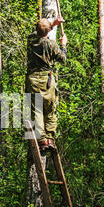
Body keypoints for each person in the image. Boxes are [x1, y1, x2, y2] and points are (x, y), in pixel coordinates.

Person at [26, 16, 67, 151]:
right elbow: (63, 58)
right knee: (50, 109)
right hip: (47, 81)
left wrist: (52, 24)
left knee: (37, 110)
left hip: (33, 80)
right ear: (48, 31)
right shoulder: (51, 45)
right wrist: (64, 45)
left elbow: (38, 32)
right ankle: (49, 137)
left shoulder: (31, 41)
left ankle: (42, 139)